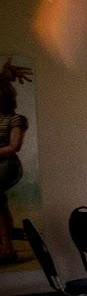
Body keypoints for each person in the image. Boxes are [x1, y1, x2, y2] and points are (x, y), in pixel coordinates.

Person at [0, 57, 32, 265]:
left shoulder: (14, 119)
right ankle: (8, 242)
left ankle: (6, 246)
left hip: (6, 165)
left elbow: (14, 146)